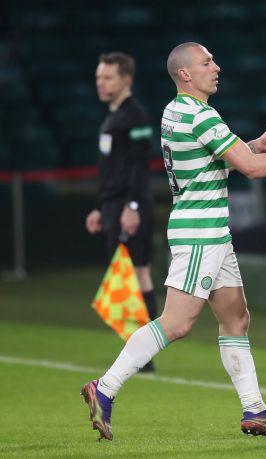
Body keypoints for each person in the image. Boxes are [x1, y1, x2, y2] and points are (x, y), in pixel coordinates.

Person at [81, 42, 266, 441]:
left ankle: (254, 410)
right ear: (185, 74)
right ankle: (105, 388)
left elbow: (212, 163)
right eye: (206, 62)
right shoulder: (200, 114)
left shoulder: (176, 110)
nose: (216, 67)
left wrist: (256, 145)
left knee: (236, 317)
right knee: (177, 323)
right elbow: (250, 169)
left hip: (209, 230)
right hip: (201, 232)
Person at [86, 52, 159, 371]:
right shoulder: (112, 117)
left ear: (126, 79)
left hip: (132, 205)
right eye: (98, 78)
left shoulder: (135, 116)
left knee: (138, 274)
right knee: (125, 278)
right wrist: (100, 207)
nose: (101, 83)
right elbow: (112, 170)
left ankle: (146, 356)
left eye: (108, 78)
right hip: (113, 205)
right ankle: (139, 353)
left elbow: (140, 166)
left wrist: (131, 206)